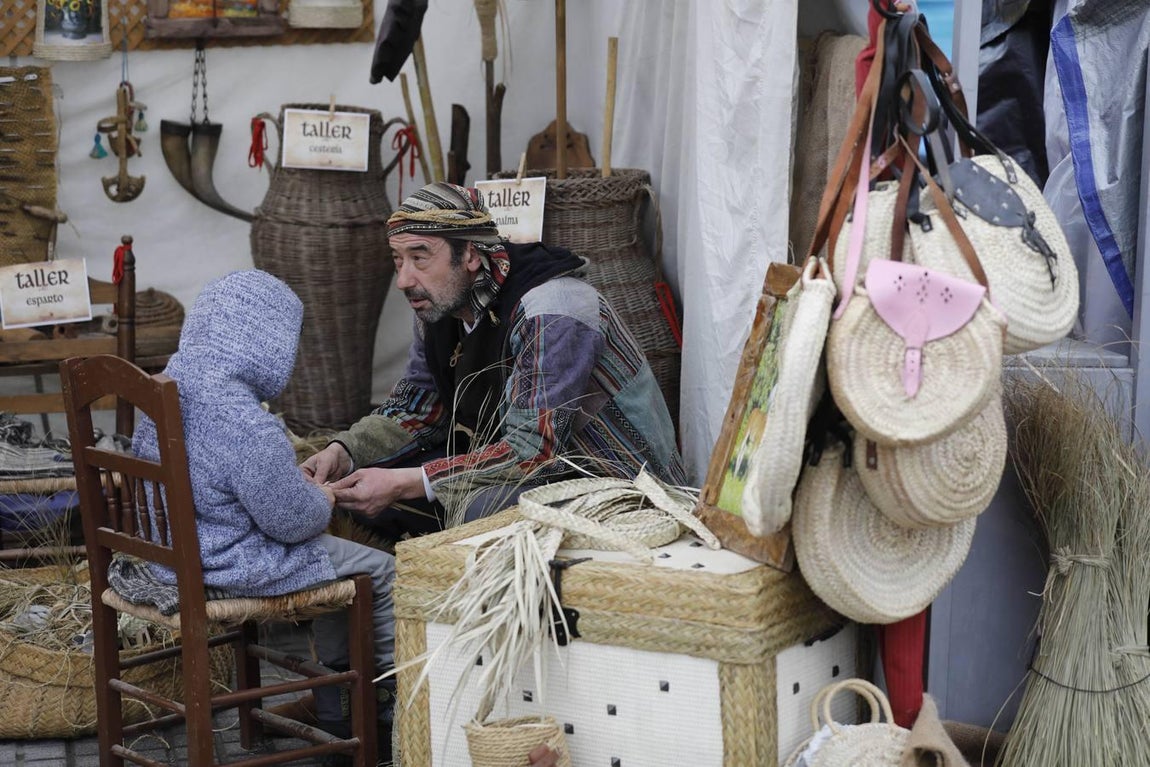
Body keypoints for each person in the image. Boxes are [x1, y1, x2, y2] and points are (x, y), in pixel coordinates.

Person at [302, 181, 686, 537]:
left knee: (473, 508)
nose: (404, 279)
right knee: (364, 488)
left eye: (420, 258)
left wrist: (410, 481)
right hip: (519, 465)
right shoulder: (439, 306)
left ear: (470, 254)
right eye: (398, 260)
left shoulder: (554, 310)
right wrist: (345, 452)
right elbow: (418, 409)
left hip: (616, 483)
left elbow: (534, 450)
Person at [131, 270, 396, 762]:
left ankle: (335, 707)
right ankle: (383, 703)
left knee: (344, 567)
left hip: (166, 553)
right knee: (376, 569)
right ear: (270, 347)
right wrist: (322, 497)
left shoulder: (167, 382)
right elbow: (294, 524)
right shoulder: (245, 422)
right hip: (228, 562)